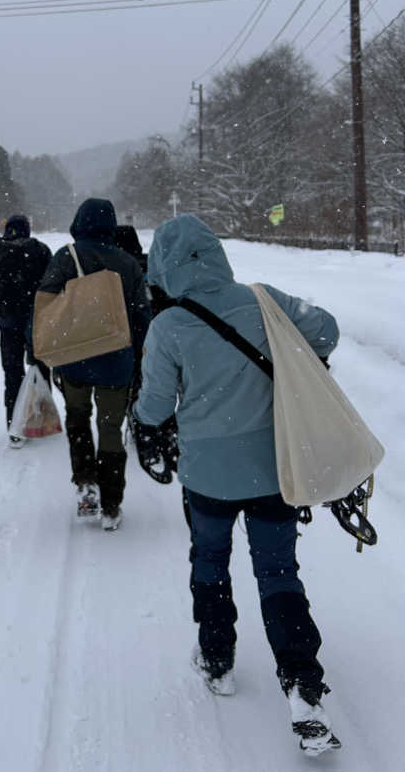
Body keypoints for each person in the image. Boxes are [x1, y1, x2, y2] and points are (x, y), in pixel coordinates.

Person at [134, 213, 341, 755]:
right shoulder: (264, 301)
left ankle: (218, 658)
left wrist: (144, 415)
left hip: (207, 477)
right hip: (273, 468)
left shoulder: (169, 327)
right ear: (217, 254)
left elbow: (155, 408)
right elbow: (328, 330)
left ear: (166, 268)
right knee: (278, 572)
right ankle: (302, 684)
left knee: (210, 560)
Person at [36, 198, 151, 529]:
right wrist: (141, 359)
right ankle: (112, 505)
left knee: (77, 419)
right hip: (116, 360)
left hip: (73, 359)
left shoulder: (65, 257)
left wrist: (41, 349)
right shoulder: (127, 263)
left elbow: (44, 305)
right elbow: (142, 317)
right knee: (110, 427)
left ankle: (85, 482)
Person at [0, 214, 52, 447]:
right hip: (38, 323)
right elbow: (53, 285)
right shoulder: (40, 251)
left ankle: (16, 428)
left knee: (13, 375)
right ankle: (40, 420)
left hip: (8, 323)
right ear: (27, 230)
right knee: (40, 369)